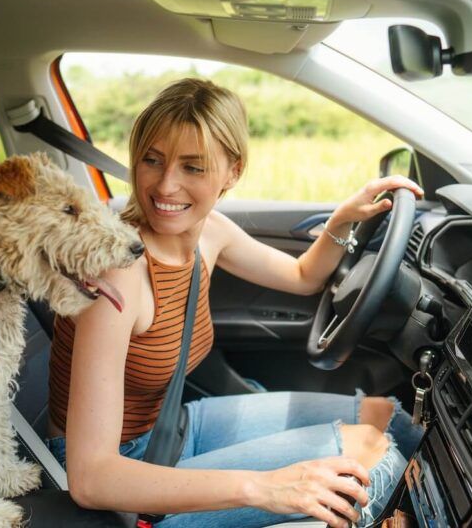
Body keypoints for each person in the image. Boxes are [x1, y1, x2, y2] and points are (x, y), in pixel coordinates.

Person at [46, 78, 425, 527]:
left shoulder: (211, 233)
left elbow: (304, 276)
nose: (166, 186)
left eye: (193, 167)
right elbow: (91, 478)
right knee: (372, 463)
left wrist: (343, 219)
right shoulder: (117, 272)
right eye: (152, 160)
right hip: (120, 476)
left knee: (386, 418)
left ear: (232, 172)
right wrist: (265, 487)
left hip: (170, 431)